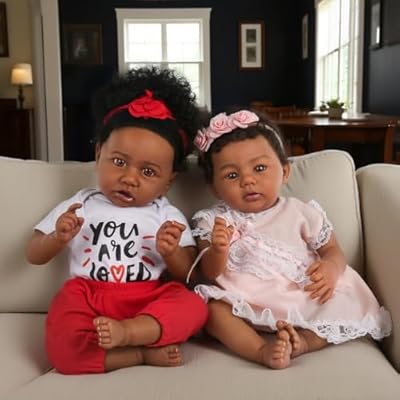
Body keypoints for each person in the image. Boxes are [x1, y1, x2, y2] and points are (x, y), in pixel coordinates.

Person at [25, 67, 208, 374]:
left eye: (148, 172)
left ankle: (132, 333)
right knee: (61, 346)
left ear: (168, 181)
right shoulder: (81, 203)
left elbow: (188, 275)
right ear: (99, 153)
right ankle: (139, 354)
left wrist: (172, 252)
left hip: (149, 296)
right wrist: (57, 238)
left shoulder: (166, 213)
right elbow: (33, 254)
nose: (129, 178)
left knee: (195, 306)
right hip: (88, 295)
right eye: (120, 161)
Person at [190, 109, 392, 369]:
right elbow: (208, 273)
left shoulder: (300, 212)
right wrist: (218, 250)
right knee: (213, 311)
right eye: (232, 175)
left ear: (284, 172)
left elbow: (332, 250)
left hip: (301, 294)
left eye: (259, 168)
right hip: (244, 299)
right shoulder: (211, 221)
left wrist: (330, 269)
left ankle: (305, 341)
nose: (248, 180)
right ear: (214, 187)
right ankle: (260, 349)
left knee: (343, 300)